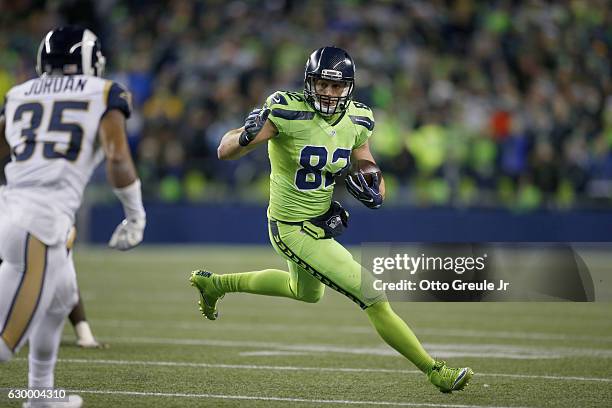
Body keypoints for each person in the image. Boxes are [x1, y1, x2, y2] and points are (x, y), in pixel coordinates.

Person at [190, 46, 473, 393]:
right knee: (372, 294)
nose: (328, 92)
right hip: (291, 228)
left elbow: (367, 162)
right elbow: (225, 149)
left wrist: (376, 188)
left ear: (349, 88)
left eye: (337, 87)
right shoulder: (287, 110)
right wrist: (244, 136)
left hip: (319, 223)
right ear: (310, 82)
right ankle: (434, 370)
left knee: (306, 293)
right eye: (322, 84)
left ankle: (215, 284)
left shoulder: (359, 118)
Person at [0, 26, 146, 407]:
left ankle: (41, 396)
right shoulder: (104, 92)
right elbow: (117, 156)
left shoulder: (17, 94)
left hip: (16, 210)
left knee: (61, 298)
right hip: (41, 222)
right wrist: (135, 215)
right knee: (4, 343)